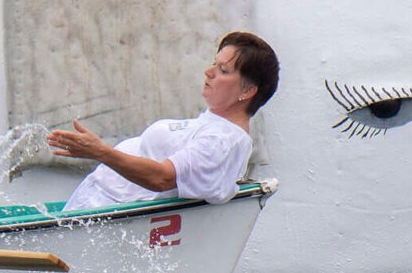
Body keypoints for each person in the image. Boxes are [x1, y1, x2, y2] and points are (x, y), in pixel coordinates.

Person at [50, 30, 280, 212]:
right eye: (214, 64)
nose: (208, 72)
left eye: (223, 70)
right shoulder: (213, 127)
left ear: (248, 90)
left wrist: (100, 152)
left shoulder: (221, 142)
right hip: (92, 207)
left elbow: (163, 178)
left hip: (106, 217)